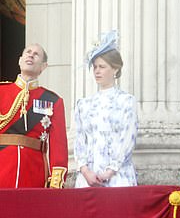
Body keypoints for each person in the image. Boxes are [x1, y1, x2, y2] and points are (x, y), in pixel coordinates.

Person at [74, 30, 138, 187]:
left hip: (118, 177)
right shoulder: (83, 104)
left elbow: (128, 138)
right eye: (95, 67)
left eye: (102, 66)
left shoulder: (126, 101)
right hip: (88, 178)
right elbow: (80, 140)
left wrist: (110, 171)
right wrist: (85, 170)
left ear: (115, 69)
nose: (97, 71)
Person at [0, 43, 68, 188]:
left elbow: (58, 146)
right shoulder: (1, 92)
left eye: (36, 54)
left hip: (34, 174)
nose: (31, 55)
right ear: (20, 60)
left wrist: (55, 182)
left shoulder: (53, 101)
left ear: (43, 66)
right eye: (28, 52)